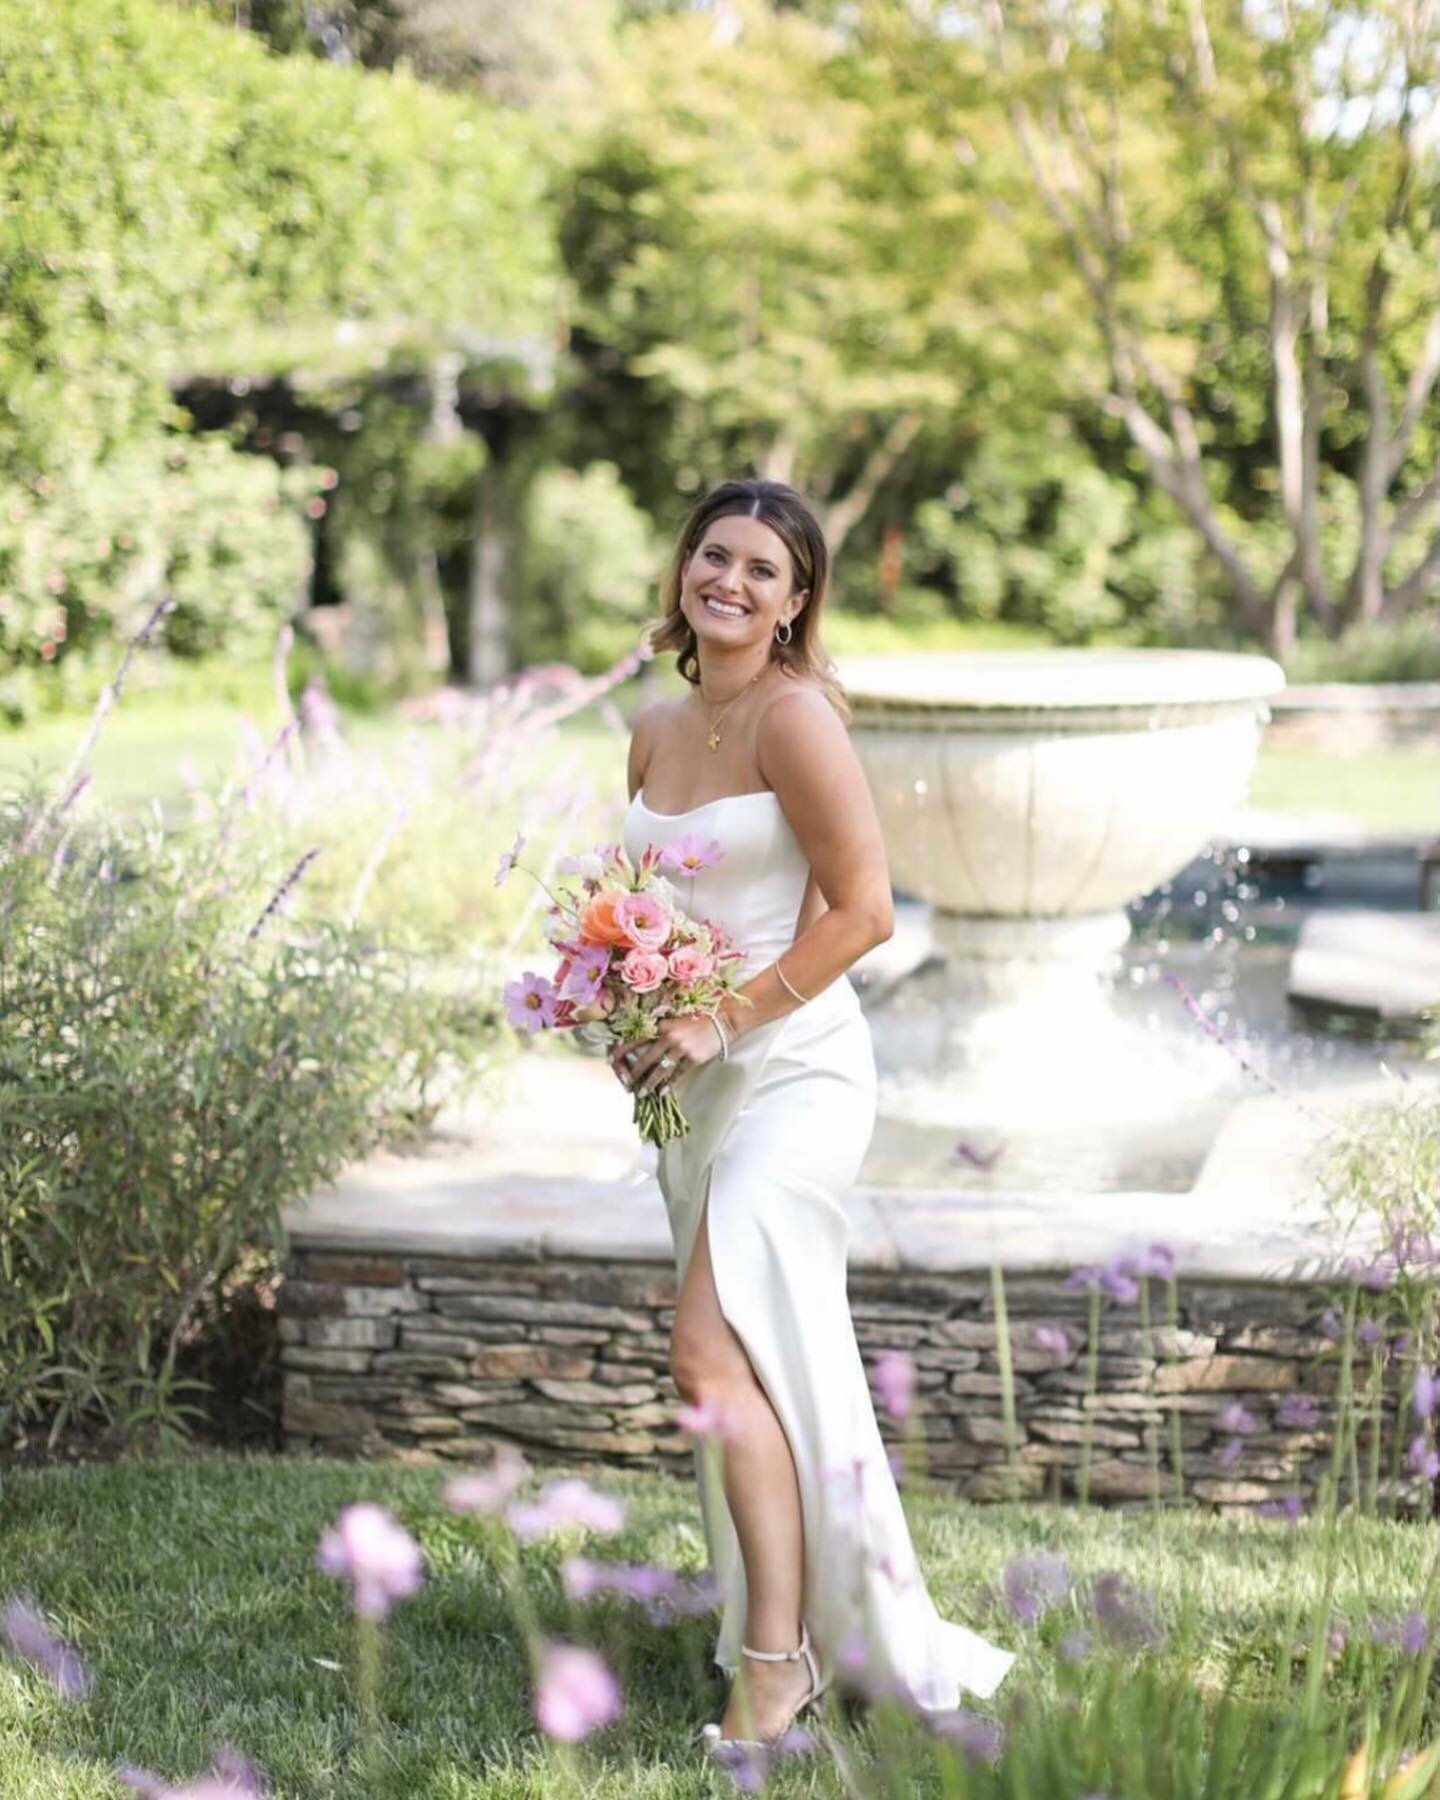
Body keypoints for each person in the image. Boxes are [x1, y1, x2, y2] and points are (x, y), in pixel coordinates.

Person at [613, 478, 1015, 1755]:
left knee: (706, 1354)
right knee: (754, 1362)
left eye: (762, 572)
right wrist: (622, 1001)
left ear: (794, 607)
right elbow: (647, 910)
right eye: (713, 556)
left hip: (795, 1075)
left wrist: (722, 1017)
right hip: (699, 1078)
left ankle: (777, 1670)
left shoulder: (796, 720)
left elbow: (865, 910)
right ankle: (784, 1632)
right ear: (685, 571)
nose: (729, 581)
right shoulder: (654, 728)